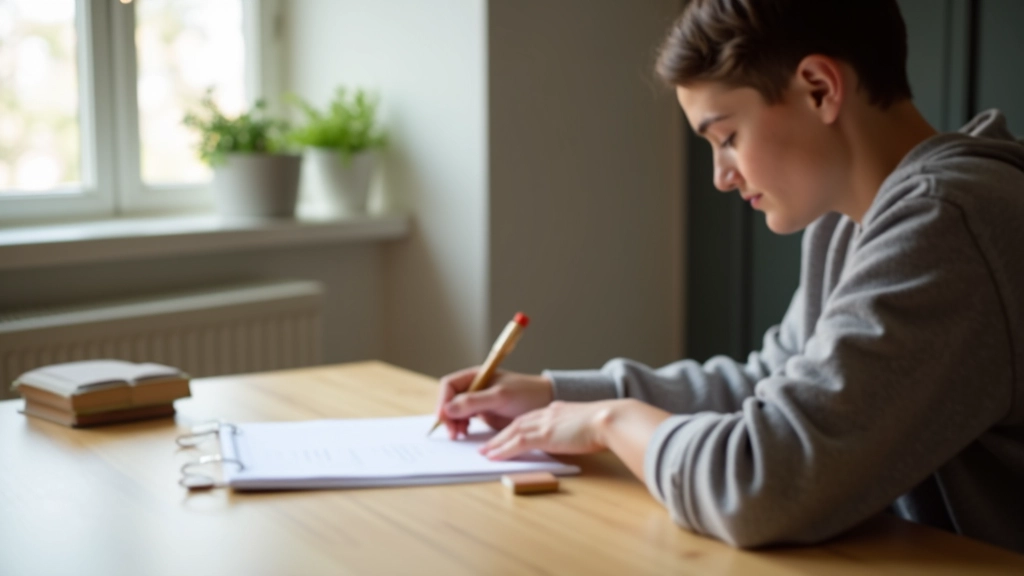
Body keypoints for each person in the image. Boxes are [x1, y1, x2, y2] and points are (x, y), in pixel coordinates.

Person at [434, 0, 1024, 552]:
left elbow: (763, 484)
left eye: (728, 137)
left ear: (819, 89)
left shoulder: (949, 224)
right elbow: (774, 385)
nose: (721, 176)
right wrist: (557, 395)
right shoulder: (854, 221)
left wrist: (613, 422)